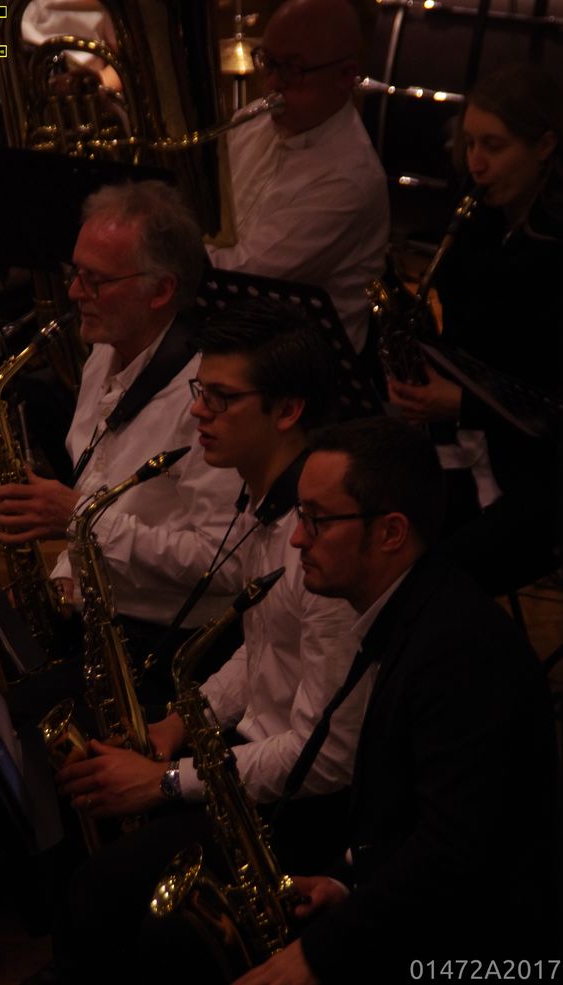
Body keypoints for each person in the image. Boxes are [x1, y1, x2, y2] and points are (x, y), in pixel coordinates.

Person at [49, 300, 369, 984]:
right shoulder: (261, 501)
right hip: (245, 759)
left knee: (100, 891)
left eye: (221, 398)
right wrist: (173, 724)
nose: (198, 411)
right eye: (201, 390)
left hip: (298, 805)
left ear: (287, 411)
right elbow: (263, 648)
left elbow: (325, 758)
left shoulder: (318, 543)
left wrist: (166, 783)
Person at [230, 416, 557, 985]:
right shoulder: (412, 609)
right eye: (300, 514)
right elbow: (411, 818)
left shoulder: (459, 653)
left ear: (391, 533)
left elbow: (453, 853)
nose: (298, 538)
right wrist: (345, 884)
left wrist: (317, 955)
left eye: (317, 519)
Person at [0, 179, 242, 704]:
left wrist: (79, 518)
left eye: (96, 280)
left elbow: (222, 564)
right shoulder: (104, 353)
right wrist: (63, 580)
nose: (74, 293)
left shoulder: (208, 397)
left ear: (161, 290)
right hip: (95, 617)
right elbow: (100, 484)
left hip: (165, 651)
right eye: (75, 273)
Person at [387, 63, 563, 596]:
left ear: (545, 146)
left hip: (540, 471)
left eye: (493, 146)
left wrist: (463, 404)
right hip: (476, 446)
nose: (476, 163)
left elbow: (549, 396)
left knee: (429, 574)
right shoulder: (481, 218)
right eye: (469, 144)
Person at [206, 0, 389, 354]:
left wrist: (155, 253)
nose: (272, 84)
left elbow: (240, 277)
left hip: (296, 362)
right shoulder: (250, 122)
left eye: (294, 69)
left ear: (345, 75)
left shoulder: (350, 181)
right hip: (233, 330)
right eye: (268, 62)